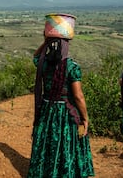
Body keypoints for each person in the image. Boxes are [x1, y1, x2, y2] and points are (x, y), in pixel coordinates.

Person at [27, 37, 95, 178]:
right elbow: (78, 96)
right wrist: (84, 117)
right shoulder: (71, 67)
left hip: (46, 108)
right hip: (65, 111)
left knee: (48, 140)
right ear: (65, 47)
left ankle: (45, 171)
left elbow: (36, 56)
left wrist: (46, 42)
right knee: (65, 141)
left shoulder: (44, 64)